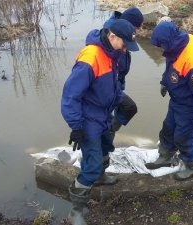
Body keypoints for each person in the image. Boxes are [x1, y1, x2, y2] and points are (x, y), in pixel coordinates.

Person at [61, 19, 139, 202]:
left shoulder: (112, 54)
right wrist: (76, 126)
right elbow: (70, 96)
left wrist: (120, 100)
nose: (125, 49)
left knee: (106, 147)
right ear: (112, 36)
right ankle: (77, 208)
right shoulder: (90, 58)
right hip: (88, 118)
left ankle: (100, 178)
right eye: (124, 44)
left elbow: (109, 86)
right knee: (92, 164)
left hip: (104, 114)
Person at [145, 22, 193, 181]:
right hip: (177, 98)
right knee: (168, 128)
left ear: (168, 42)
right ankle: (166, 156)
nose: (161, 50)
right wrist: (165, 82)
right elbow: (171, 65)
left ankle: (192, 165)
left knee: (183, 136)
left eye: (161, 45)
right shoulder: (178, 44)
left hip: (190, 104)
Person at [99, 7, 144, 136]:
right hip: (108, 87)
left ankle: (107, 141)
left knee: (123, 111)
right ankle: (105, 143)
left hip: (115, 85)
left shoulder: (120, 35)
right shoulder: (112, 38)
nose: (136, 32)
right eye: (136, 28)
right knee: (127, 108)